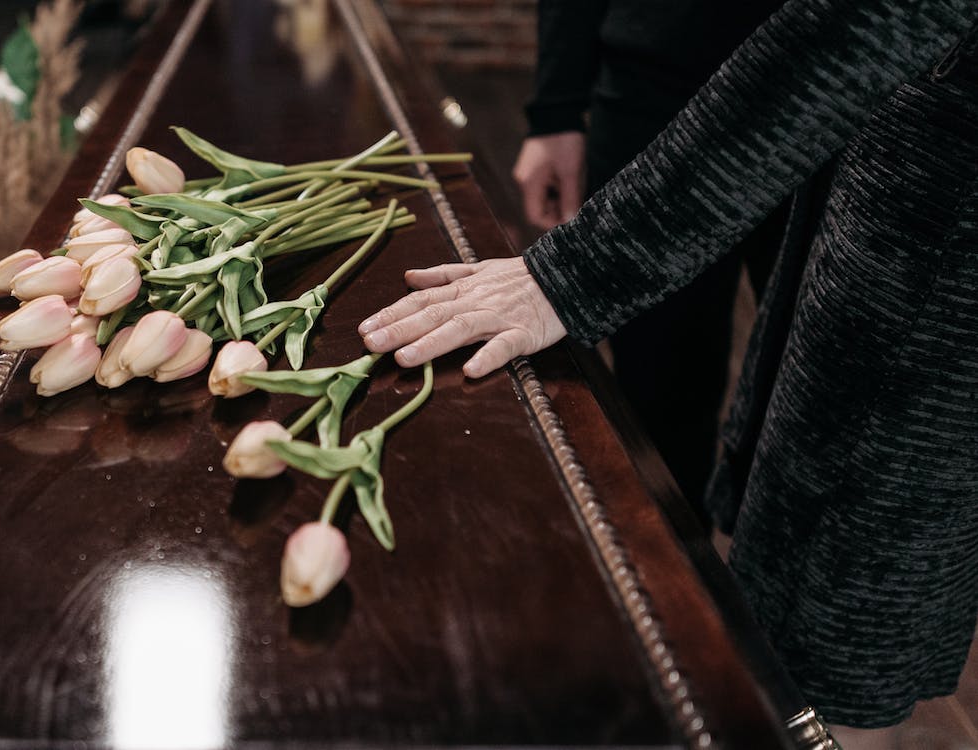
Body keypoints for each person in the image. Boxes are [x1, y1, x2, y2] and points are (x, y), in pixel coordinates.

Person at [358, 0, 978, 745]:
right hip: (809, 110)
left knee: (840, 621)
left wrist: (573, 274)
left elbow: (872, 17)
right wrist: (560, 103)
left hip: (922, 197)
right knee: (687, 433)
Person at [513, 1, 786, 507]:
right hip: (655, 90)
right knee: (659, 397)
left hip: (850, 108)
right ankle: (670, 572)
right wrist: (556, 106)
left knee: (811, 409)